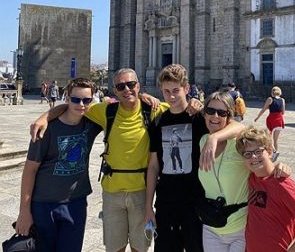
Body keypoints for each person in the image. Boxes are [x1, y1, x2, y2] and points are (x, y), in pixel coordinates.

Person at [30, 68, 202, 252]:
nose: (127, 89)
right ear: (115, 90)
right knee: (115, 248)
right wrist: (45, 117)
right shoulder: (106, 111)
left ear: (138, 86)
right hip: (112, 192)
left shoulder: (154, 109)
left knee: (140, 247)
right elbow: (77, 105)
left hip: (141, 192)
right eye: (121, 86)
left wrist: (196, 102)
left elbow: (185, 108)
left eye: (131, 84)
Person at [145, 64, 244, 252]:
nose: (171, 96)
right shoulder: (158, 122)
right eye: (166, 91)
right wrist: (148, 206)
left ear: (187, 89)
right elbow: (153, 166)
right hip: (166, 202)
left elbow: (239, 127)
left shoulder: (200, 118)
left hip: (196, 203)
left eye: (176, 90)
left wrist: (214, 137)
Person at [16, 78, 102, 251]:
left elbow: (117, 105)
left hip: (76, 203)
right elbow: (30, 170)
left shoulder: (92, 124)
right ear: (67, 98)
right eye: (76, 99)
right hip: (43, 204)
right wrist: (24, 212)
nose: (81, 105)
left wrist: (146, 97)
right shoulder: (46, 129)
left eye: (86, 100)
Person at [198, 92, 291, 252]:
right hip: (211, 227)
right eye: (210, 111)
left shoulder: (238, 144)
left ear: (229, 116)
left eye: (222, 113)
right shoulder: (203, 141)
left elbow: (245, 130)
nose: (215, 116)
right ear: (204, 113)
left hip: (239, 228)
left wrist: (280, 166)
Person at [236, 127, 295, 252]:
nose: (253, 157)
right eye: (247, 154)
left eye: (258, 151)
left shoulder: (281, 183)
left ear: (270, 151)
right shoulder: (253, 179)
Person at [254, 86, 285, 162]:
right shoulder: (282, 100)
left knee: (268, 138)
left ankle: (274, 152)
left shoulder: (270, 99)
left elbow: (263, 109)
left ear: (272, 92)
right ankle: (274, 155)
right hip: (280, 119)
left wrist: (257, 117)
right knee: (275, 140)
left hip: (272, 119)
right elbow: (283, 112)